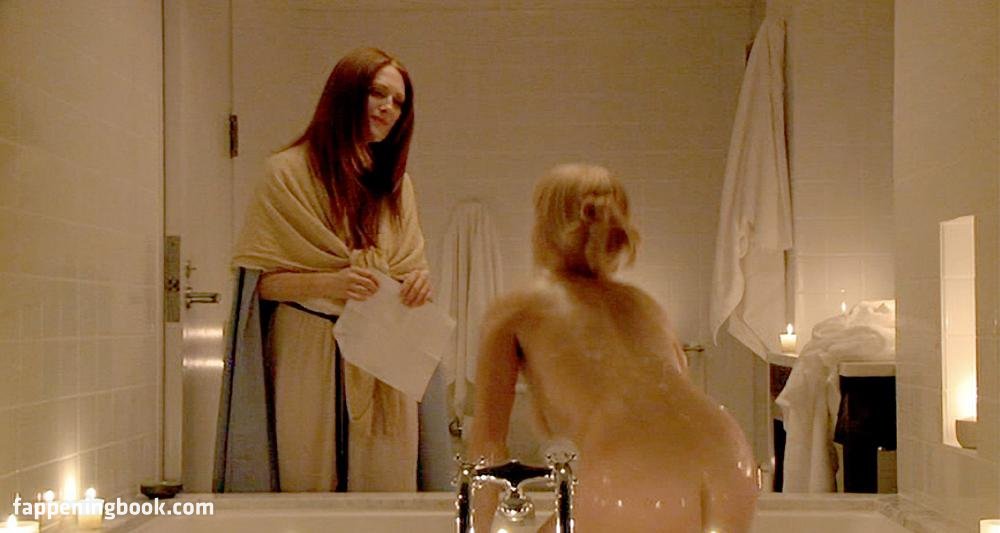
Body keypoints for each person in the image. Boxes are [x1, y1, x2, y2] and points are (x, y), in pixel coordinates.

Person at [469, 164, 757, 532]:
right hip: (729, 458)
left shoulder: (516, 309)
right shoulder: (645, 304)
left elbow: (488, 446)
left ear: (542, 226)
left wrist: (475, 525)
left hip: (631, 471)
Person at [218, 47, 432, 493]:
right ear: (346, 92)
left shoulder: (397, 185)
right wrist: (330, 282)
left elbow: (410, 264)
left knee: (387, 479)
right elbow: (259, 286)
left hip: (384, 348)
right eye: (377, 93)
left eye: (398, 101)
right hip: (308, 342)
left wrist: (417, 282)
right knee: (305, 472)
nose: (388, 108)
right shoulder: (285, 173)